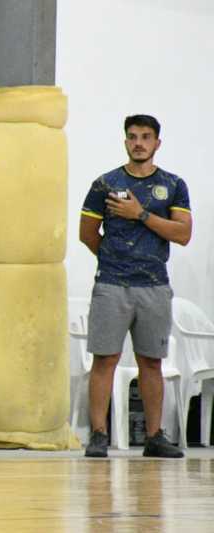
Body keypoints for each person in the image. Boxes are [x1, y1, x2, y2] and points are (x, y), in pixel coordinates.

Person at [79, 114, 192, 458]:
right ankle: (98, 435)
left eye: (145, 137)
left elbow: (183, 234)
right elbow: (86, 234)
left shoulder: (173, 185)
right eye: (132, 136)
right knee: (105, 359)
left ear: (157, 143)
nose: (138, 142)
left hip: (155, 286)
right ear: (125, 141)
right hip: (112, 284)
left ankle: (155, 436)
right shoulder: (105, 184)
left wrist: (140, 214)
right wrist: (115, 259)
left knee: (152, 362)